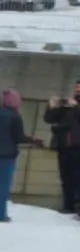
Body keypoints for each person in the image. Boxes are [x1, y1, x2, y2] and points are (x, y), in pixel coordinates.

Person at [0, 89, 41, 222]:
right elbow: (18, 137)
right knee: (3, 186)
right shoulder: (15, 117)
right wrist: (32, 140)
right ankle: (0, 214)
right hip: (7, 155)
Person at [43, 83, 80, 213]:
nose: (77, 90)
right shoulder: (68, 105)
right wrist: (52, 107)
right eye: (76, 87)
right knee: (66, 177)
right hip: (64, 145)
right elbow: (49, 119)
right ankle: (68, 204)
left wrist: (76, 107)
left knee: (77, 177)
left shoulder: (75, 106)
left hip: (77, 147)